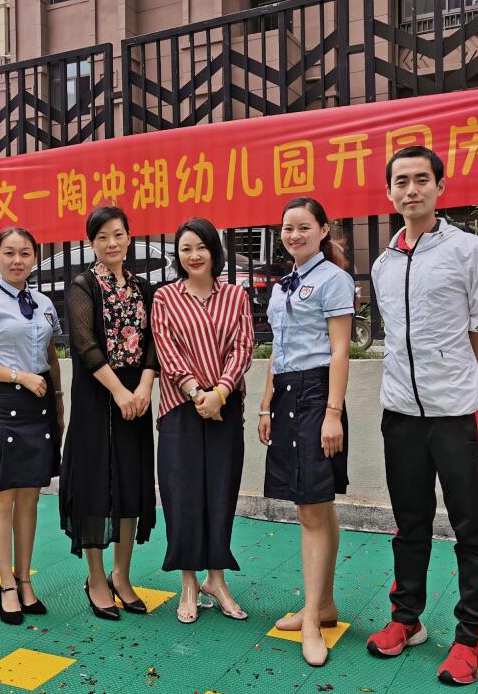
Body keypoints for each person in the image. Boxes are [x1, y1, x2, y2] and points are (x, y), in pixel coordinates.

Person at [367, 145, 478, 686]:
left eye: (421, 179)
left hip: (455, 415)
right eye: (401, 181)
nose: (411, 189)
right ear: (389, 192)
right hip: (400, 413)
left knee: (471, 529)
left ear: (440, 187)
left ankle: (471, 638)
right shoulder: (382, 264)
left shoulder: (468, 249)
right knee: (409, 524)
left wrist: (459, 385)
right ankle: (407, 620)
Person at [258, 197, 353, 667]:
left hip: (317, 395)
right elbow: (278, 351)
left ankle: (312, 619)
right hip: (287, 396)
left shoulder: (333, 280)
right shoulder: (283, 286)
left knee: (312, 508)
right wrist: (265, 405)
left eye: (303, 227)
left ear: (323, 230)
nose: (294, 235)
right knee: (315, 504)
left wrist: (333, 412)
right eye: (287, 228)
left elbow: (339, 351)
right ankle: (325, 604)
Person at [151, 218, 255, 624]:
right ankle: (189, 582)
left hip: (224, 406)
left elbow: (243, 346)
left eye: (201, 247)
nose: (194, 255)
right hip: (181, 408)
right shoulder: (165, 298)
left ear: (214, 251)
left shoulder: (236, 295)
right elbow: (167, 351)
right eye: (185, 249)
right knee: (182, 494)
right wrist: (197, 393)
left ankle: (217, 579)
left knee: (221, 492)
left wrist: (221, 393)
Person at [59, 205, 158, 621]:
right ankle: (96, 579)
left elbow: (154, 342)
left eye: (118, 234)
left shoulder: (144, 288)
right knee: (95, 484)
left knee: (131, 482)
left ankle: (122, 574)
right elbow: (85, 345)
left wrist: (144, 388)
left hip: (137, 397)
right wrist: (119, 391)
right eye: (102, 237)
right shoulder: (82, 286)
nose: (111, 243)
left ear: (129, 237)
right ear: (92, 243)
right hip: (97, 397)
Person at [0, 227, 63, 625]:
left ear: (35, 257)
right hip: (4, 403)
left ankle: (24, 579)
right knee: (2, 496)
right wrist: (20, 377)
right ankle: (5, 583)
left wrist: (58, 400)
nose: (17, 260)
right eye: (9, 253)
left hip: (39, 402)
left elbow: (51, 355)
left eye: (25, 253)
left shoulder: (44, 303)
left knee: (30, 496)